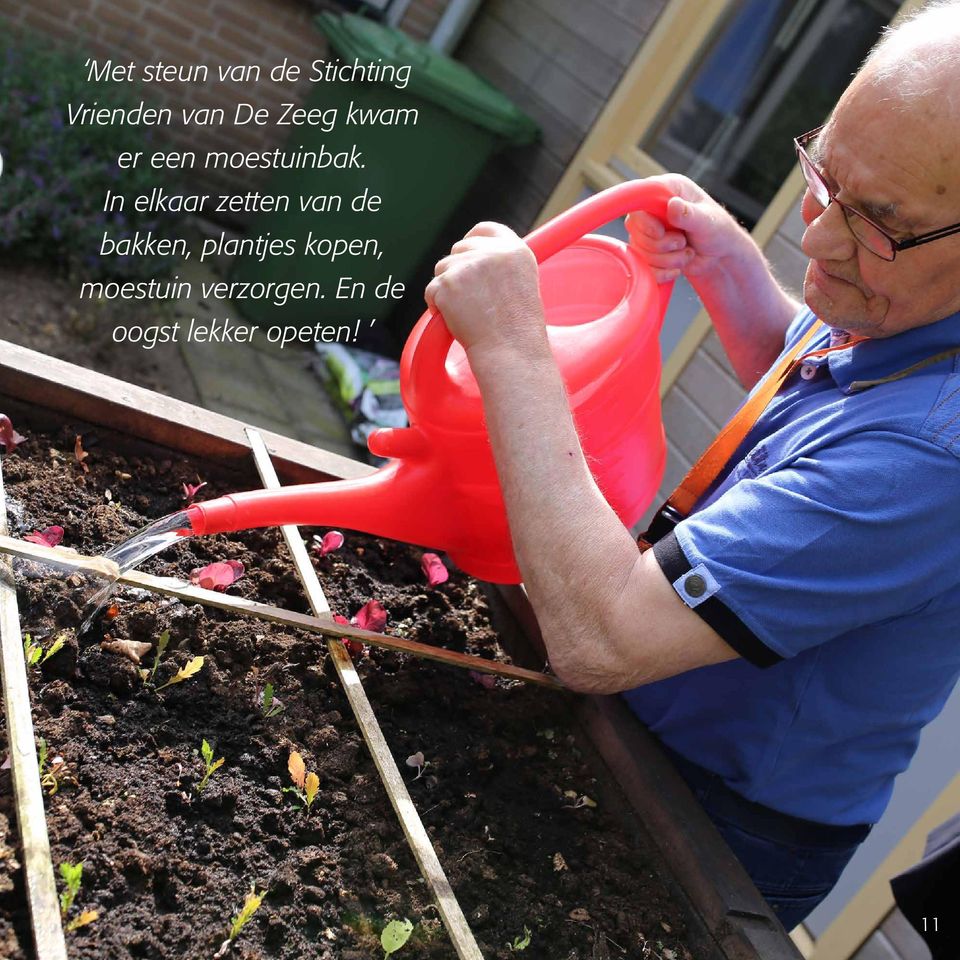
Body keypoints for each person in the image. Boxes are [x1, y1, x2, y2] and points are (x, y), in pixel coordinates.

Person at [423, 0, 960, 931]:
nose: (817, 238)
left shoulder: (932, 459)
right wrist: (734, 275)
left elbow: (602, 638)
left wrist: (514, 347)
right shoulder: (910, 318)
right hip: (650, 720)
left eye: (877, 221)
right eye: (822, 173)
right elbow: (818, 397)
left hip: (724, 820)